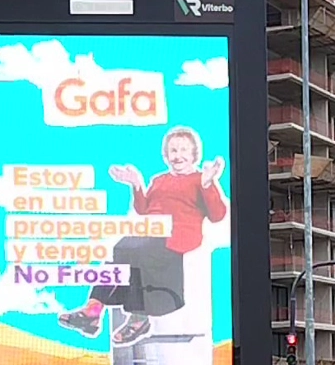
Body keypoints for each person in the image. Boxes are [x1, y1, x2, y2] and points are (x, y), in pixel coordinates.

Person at [58, 126, 228, 346]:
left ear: (194, 154)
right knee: (121, 249)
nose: (178, 156)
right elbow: (144, 210)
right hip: (151, 232)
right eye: (173, 151)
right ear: (166, 155)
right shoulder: (158, 180)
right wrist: (137, 184)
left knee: (137, 252)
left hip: (179, 235)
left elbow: (217, 215)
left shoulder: (199, 179)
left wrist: (208, 184)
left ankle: (138, 318)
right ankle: (94, 310)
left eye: (183, 150)